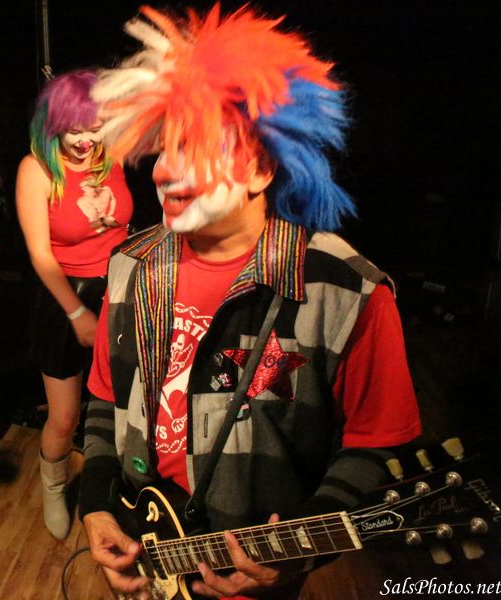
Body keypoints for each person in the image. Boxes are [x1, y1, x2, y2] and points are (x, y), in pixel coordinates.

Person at [77, 6, 422, 599]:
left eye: (194, 147)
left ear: (260, 169)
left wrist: (302, 545)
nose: (164, 170)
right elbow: (107, 402)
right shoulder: (131, 267)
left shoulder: (345, 292)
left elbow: (377, 445)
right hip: (148, 557)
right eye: (164, 148)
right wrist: (97, 504)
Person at [16, 70, 134, 539]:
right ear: (53, 124)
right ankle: (53, 486)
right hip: (65, 298)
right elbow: (41, 256)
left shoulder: (113, 155)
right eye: (75, 130)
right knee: (65, 416)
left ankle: (119, 491)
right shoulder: (37, 169)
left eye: (95, 128)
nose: (87, 141)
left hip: (122, 290)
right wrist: (78, 313)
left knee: (123, 408)